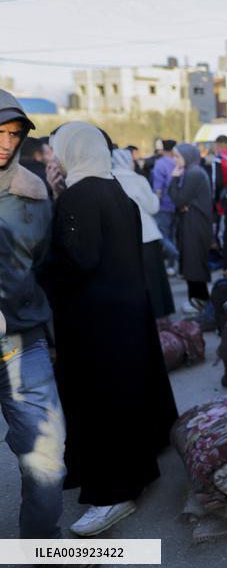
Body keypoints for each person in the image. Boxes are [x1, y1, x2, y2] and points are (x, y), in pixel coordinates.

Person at [43, 121, 178, 538]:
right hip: (124, 316)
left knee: (103, 404)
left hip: (95, 324)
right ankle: (130, 470)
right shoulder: (117, 190)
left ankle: (115, 493)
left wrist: (39, 269)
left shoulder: (79, 196)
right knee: (122, 398)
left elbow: (80, 260)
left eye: (55, 150)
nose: (52, 157)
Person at [0, 93, 88, 568]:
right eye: (0, 132)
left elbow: (42, 265)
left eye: (15, 133)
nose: (8, 142)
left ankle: (42, 546)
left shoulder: (32, 192)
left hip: (21, 341)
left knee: (47, 450)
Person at [110, 148, 175, 319]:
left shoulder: (109, 180)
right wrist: (155, 196)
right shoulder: (137, 179)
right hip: (147, 235)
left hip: (122, 238)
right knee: (154, 280)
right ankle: (159, 316)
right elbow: (152, 207)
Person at [169, 143, 214, 314]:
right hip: (194, 222)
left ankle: (199, 301)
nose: (175, 160)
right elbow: (181, 203)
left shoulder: (193, 173)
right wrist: (182, 205)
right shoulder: (193, 171)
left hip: (195, 223)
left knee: (193, 261)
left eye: (178, 156)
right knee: (192, 261)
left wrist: (173, 179)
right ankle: (196, 299)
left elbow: (179, 199)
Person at [151, 139, 179, 274]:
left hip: (163, 205)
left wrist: (155, 204)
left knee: (163, 235)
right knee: (172, 235)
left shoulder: (160, 164)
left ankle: (175, 255)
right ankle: (171, 266)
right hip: (177, 204)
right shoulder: (178, 162)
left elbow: (158, 189)